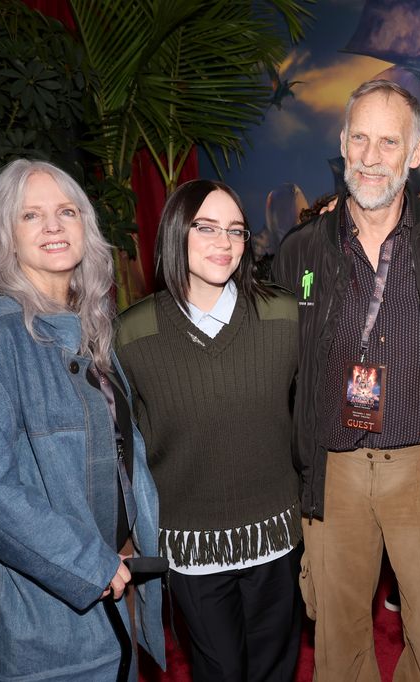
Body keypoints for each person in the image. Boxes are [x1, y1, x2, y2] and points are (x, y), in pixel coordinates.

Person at [272, 78, 420, 681]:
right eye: (360, 139)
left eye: (388, 142)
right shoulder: (298, 252)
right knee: (337, 643)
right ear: (342, 144)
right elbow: (279, 369)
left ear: (416, 154)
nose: (371, 157)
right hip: (331, 473)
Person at [0, 158, 165, 680]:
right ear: (5, 237)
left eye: (67, 211)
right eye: (31, 215)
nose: (54, 225)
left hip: (112, 590)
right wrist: (89, 564)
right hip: (40, 624)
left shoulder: (88, 330)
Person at [114, 179, 301, 681]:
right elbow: (120, 448)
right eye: (207, 228)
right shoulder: (131, 335)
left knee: (275, 669)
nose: (225, 243)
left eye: (237, 231)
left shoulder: (283, 315)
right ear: (177, 231)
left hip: (276, 535)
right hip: (192, 545)